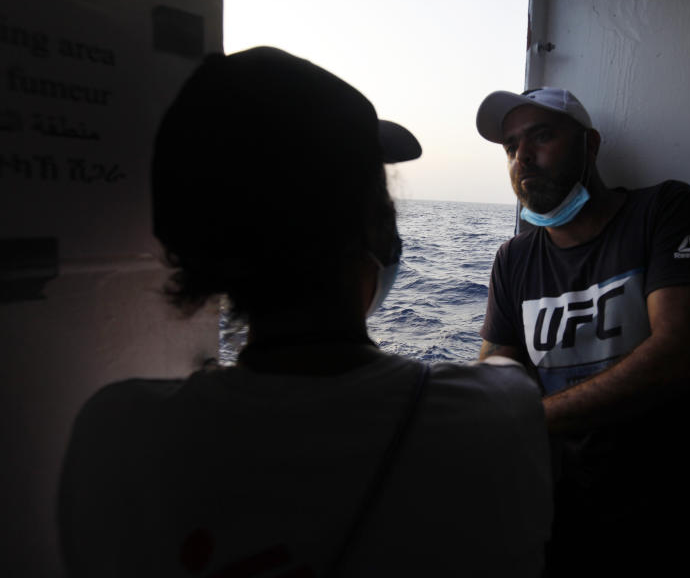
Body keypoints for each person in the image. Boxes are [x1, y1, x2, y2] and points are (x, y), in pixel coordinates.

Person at [58, 48, 552, 577]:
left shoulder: (112, 434)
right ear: (377, 227)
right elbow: (505, 378)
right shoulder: (499, 413)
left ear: (191, 242)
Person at [475, 87, 690, 575]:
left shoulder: (664, 210)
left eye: (542, 136)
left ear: (590, 144)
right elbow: (495, 382)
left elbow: (683, 357)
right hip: (576, 524)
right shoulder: (513, 260)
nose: (523, 157)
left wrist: (528, 417)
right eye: (511, 147)